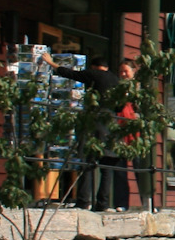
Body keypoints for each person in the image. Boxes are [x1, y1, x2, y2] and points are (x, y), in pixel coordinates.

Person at [44, 52, 127, 212]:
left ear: (94, 67)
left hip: (93, 122)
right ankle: (102, 204)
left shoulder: (93, 74)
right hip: (111, 124)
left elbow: (71, 74)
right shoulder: (117, 81)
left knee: (87, 162)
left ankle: (83, 201)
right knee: (107, 166)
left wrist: (51, 63)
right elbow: (120, 106)